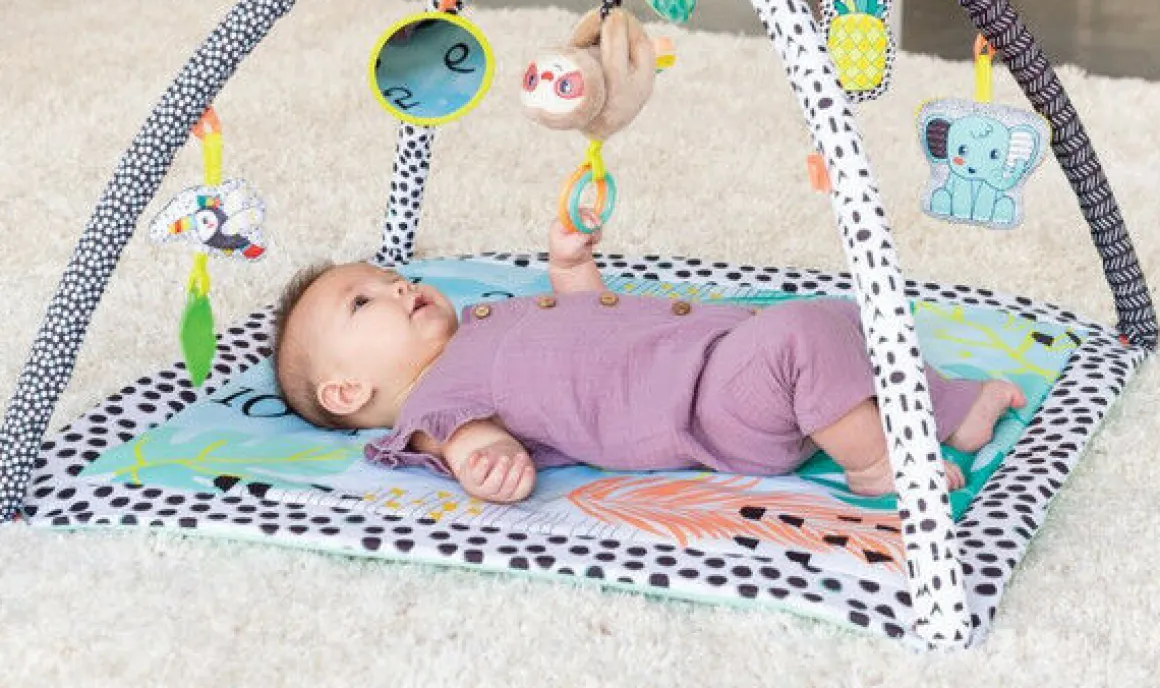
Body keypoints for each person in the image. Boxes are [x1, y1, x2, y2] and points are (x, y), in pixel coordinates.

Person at [272, 217, 1024, 505]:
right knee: (803, 338)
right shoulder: (435, 401)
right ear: (346, 390)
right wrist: (486, 465)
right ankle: (876, 463)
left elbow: (593, 328)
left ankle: (951, 410)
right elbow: (472, 442)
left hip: (716, 356)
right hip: (703, 409)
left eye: (390, 278)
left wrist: (571, 270)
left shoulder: (481, 327)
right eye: (364, 302)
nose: (398, 287)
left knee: (841, 319)